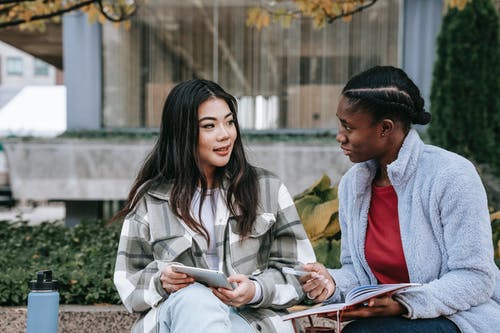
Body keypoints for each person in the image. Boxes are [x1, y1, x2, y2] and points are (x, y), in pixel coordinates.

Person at [299, 66, 500, 332]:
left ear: (385, 128)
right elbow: (358, 274)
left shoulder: (451, 175)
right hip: (383, 323)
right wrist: (331, 283)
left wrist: (403, 303)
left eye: (349, 127)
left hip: (457, 318)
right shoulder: (353, 185)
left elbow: (475, 278)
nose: (340, 136)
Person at [113, 79, 316, 333]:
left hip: (251, 320)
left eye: (229, 122)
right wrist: (162, 282)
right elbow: (128, 280)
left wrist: (255, 290)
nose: (225, 134)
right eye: (209, 125)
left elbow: (301, 272)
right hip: (178, 318)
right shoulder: (151, 199)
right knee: (196, 300)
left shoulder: (268, 189)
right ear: (182, 132)